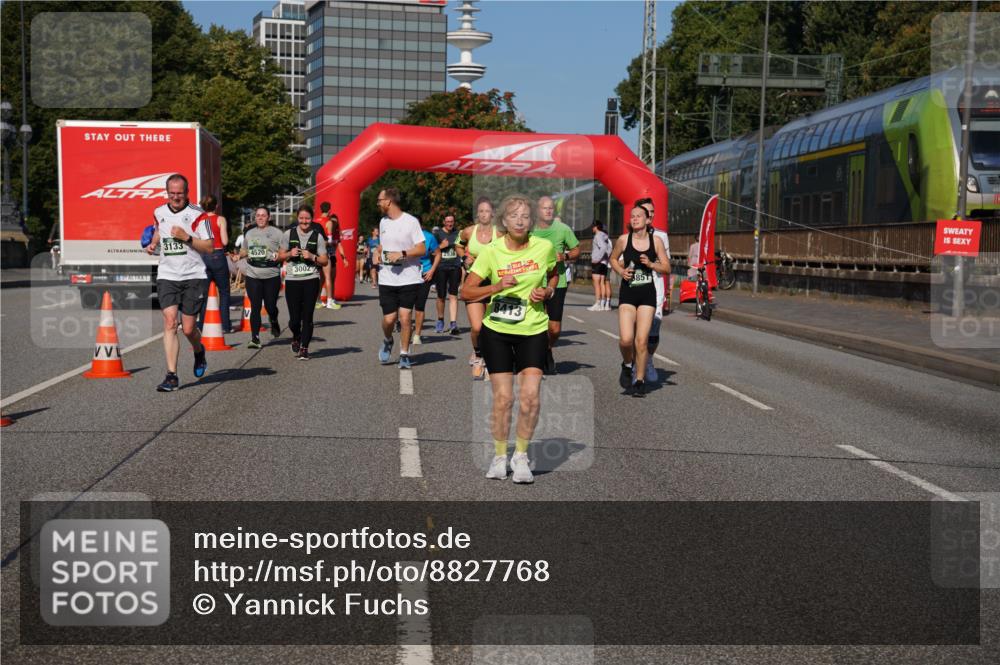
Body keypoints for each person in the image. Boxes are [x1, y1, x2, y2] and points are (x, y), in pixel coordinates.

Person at [461, 194, 558, 484]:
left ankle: (521, 456)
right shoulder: (491, 252)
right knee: (504, 399)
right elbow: (467, 292)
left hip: (533, 329)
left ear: (532, 221)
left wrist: (548, 292)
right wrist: (497, 286)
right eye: (514, 216)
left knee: (530, 398)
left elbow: (553, 274)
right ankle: (500, 456)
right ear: (504, 221)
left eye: (525, 216)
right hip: (498, 332)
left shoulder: (544, 247)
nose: (520, 221)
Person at [145, 174, 215, 392]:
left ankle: (198, 350)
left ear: (187, 192)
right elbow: (159, 229)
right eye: (172, 193)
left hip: (193, 275)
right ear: (167, 192)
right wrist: (153, 243)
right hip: (167, 275)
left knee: (188, 328)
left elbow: (210, 247)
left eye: (180, 193)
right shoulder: (159, 212)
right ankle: (172, 376)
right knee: (169, 323)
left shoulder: (198, 215)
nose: (176, 197)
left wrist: (187, 238)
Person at [610, 204, 670, 397]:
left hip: (647, 294)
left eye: (639, 216)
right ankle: (627, 364)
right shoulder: (623, 240)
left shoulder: (657, 241)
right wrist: (621, 271)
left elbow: (667, 268)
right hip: (628, 293)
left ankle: (640, 380)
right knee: (627, 340)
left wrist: (652, 264)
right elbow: (612, 259)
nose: (634, 219)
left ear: (647, 220)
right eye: (632, 216)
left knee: (641, 340)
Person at [374, 188, 426, 369]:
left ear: (388, 201)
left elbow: (421, 249)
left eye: (379, 200)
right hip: (387, 278)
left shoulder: (411, 222)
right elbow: (383, 245)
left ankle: (404, 354)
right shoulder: (383, 222)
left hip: (408, 277)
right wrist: (376, 252)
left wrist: (402, 254)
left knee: (405, 317)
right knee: (389, 319)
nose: (378, 203)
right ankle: (388, 340)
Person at [529, 196, 580, 375]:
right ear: (537, 210)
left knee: (554, 328)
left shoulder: (563, 229)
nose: (548, 211)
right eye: (545, 208)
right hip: (532, 282)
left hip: (556, 282)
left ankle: (547, 348)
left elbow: (576, 250)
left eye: (551, 208)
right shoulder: (529, 229)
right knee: (533, 322)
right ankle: (533, 357)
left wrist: (565, 256)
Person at [457, 197, 503, 380]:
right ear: (478, 214)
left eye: (487, 211)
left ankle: (491, 361)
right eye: (481, 211)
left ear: (493, 213)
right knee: (477, 326)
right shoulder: (468, 231)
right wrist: (464, 259)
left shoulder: (499, 233)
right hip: (474, 282)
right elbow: (458, 245)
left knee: (491, 326)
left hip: (494, 283)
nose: (484, 214)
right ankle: (477, 354)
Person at [278, 204, 328, 360]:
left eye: (307, 218)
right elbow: (280, 256)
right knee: (294, 320)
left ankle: (304, 348)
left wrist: (312, 256)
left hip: (311, 279)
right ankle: (296, 336)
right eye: (301, 218)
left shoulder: (317, 236)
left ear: (311, 219)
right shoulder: (288, 234)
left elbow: (325, 261)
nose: (304, 221)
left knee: (307, 316)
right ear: (297, 219)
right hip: (293, 280)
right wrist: (289, 253)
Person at [636, 198, 672, 382]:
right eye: (647, 211)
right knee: (636, 332)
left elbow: (666, 264)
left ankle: (648, 360)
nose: (650, 215)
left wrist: (651, 264)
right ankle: (636, 364)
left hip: (655, 288)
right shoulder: (630, 235)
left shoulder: (661, 236)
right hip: (635, 288)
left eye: (652, 212)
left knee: (653, 331)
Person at [239, 206, 284, 349]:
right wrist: (238, 255)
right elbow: (244, 250)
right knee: (255, 306)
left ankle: (274, 319)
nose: (260, 218)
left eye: (263, 215)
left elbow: (284, 252)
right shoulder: (250, 233)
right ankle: (255, 338)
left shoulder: (277, 233)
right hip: (253, 274)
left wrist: (280, 256)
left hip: (271, 274)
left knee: (271, 306)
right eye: (258, 215)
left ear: (268, 217)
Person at [195, 195, 232, 333]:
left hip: (203, 256)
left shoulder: (199, 220)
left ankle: (202, 325)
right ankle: (225, 326)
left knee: (204, 294)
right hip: (217, 255)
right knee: (224, 292)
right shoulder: (220, 219)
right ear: (216, 206)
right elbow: (225, 241)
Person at [433, 214, 462, 335]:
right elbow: (432, 252)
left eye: (452, 221)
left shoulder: (458, 234)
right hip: (441, 268)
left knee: (453, 295)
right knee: (441, 296)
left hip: (454, 267)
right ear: (444, 222)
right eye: (447, 221)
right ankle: (440, 320)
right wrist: (441, 246)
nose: (450, 223)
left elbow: (463, 247)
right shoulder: (438, 234)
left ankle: (453, 323)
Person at [411, 226, 440, 345]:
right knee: (406, 307)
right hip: (407, 275)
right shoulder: (405, 235)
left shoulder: (429, 237)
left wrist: (432, 270)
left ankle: (417, 335)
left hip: (424, 274)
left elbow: (438, 254)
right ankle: (406, 329)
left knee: (419, 305)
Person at [321, 208, 349, 310]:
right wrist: (329, 242)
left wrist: (344, 258)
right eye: (333, 222)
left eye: (336, 222)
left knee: (332, 278)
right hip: (323, 257)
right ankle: (319, 300)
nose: (334, 224)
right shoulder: (326, 230)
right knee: (322, 279)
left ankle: (331, 299)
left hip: (332, 257)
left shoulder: (337, 232)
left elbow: (339, 245)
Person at [588, 220, 612, 311]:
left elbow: (603, 247)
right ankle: (602, 304)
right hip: (604, 263)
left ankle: (597, 304)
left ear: (596, 227)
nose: (592, 228)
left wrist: (597, 259)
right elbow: (608, 249)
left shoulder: (598, 236)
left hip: (598, 262)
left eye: (593, 226)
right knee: (602, 283)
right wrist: (605, 258)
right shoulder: (605, 236)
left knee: (596, 283)